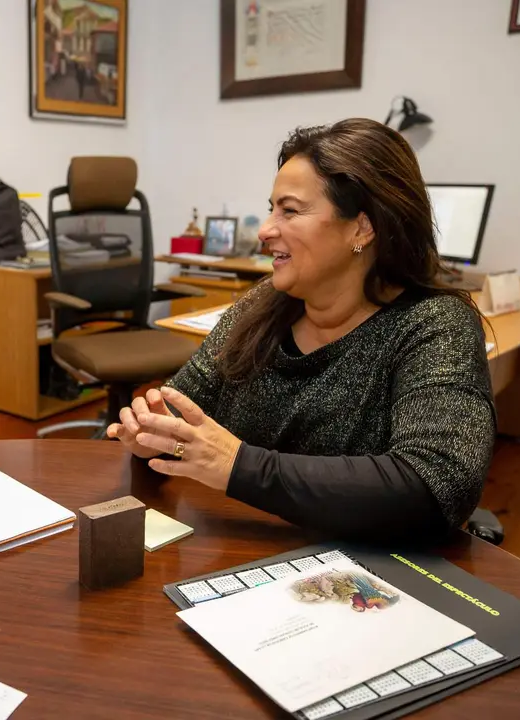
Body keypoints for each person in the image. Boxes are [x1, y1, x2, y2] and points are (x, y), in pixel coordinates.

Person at [108, 118, 496, 540]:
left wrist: (238, 466)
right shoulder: (262, 306)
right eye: (272, 207)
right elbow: (184, 414)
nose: (265, 230)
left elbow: (438, 484)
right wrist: (155, 436)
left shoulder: (435, 326)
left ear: (362, 227)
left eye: (289, 210)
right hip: (242, 550)